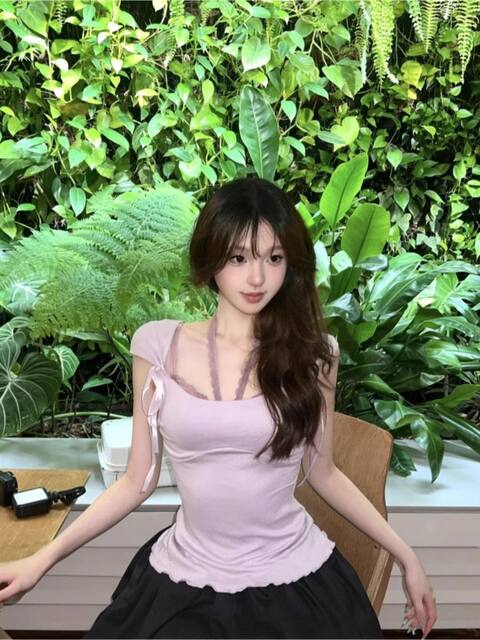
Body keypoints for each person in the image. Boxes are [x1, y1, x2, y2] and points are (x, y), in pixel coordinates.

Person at [0, 177, 436, 639]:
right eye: (239, 258)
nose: (257, 278)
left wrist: (407, 556)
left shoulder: (315, 354)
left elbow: (323, 472)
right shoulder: (157, 346)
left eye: (274, 258)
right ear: (212, 258)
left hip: (295, 578)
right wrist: (42, 559)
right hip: (186, 578)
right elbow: (136, 481)